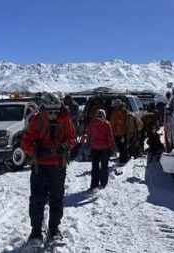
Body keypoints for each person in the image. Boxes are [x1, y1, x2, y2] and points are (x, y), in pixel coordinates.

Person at [21, 94, 76, 244]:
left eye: (55, 112)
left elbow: (72, 138)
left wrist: (65, 146)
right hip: (40, 167)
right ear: (44, 110)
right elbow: (25, 142)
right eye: (50, 112)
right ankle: (36, 232)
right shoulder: (37, 121)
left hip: (58, 166)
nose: (53, 115)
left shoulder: (66, 121)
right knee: (37, 200)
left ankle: (54, 229)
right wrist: (35, 152)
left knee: (57, 200)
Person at [86, 109, 117, 190]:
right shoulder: (107, 124)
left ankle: (94, 184)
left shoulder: (92, 123)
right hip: (104, 148)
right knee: (104, 166)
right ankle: (103, 183)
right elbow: (110, 137)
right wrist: (113, 148)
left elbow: (88, 132)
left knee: (95, 167)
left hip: (94, 148)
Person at [110, 99, 130, 165]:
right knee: (123, 146)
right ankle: (123, 159)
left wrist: (112, 132)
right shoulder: (125, 111)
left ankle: (123, 160)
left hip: (121, 132)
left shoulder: (118, 112)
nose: (115, 107)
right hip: (123, 132)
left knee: (122, 147)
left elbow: (113, 123)